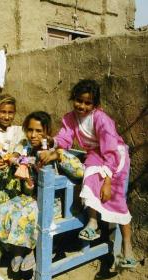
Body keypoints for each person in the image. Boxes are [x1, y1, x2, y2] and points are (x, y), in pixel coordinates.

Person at [0, 110, 84, 272]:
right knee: (5, 208)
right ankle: (18, 250)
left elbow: (80, 171)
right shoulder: (28, 152)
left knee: (27, 213)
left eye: (39, 131)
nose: (33, 135)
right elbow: (27, 178)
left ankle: (33, 250)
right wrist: (27, 183)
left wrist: (58, 156)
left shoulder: (54, 150)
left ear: (47, 132)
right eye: (30, 130)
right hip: (34, 197)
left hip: (55, 203)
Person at [40, 79, 136, 268]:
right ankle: (92, 223)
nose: (82, 106)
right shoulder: (70, 118)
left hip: (114, 154)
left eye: (87, 102)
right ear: (73, 99)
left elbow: (110, 150)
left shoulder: (101, 119)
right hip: (95, 154)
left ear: (95, 105)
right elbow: (64, 138)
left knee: (115, 199)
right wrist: (52, 142)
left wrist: (107, 180)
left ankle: (128, 247)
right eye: (78, 100)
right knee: (89, 178)